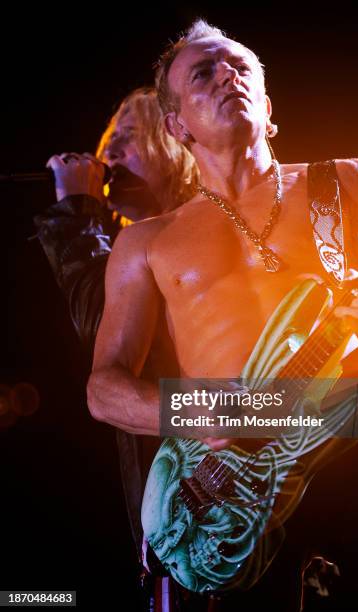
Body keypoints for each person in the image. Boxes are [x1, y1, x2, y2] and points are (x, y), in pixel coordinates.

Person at [88, 21, 358, 611]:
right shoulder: (150, 243)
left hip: (350, 441)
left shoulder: (345, 182)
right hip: (226, 488)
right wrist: (198, 408)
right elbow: (104, 390)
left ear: (266, 103)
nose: (226, 76)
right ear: (177, 125)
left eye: (240, 67)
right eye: (203, 73)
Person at [34, 86, 199, 584]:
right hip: (180, 519)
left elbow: (97, 312)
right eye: (107, 143)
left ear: (172, 139)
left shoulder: (198, 231)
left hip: (238, 479)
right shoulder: (129, 248)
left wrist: (77, 211)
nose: (107, 155)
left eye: (126, 138)